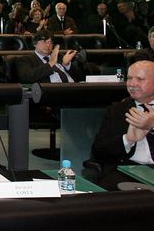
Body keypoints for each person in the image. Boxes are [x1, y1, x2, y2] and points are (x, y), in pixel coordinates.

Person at [92, 60, 154, 189]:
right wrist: (127, 140)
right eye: (129, 78)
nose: (132, 84)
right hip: (127, 169)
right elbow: (98, 151)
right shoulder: (117, 111)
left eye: (140, 79)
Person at [16, 29, 83, 84]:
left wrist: (67, 65)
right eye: (44, 41)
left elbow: (79, 76)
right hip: (51, 93)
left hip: (73, 88)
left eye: (50, 42)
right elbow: (27, 77)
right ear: (34, 43)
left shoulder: (59, 56)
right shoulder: (26, 59)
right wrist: (50, 64)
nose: (48, 45)